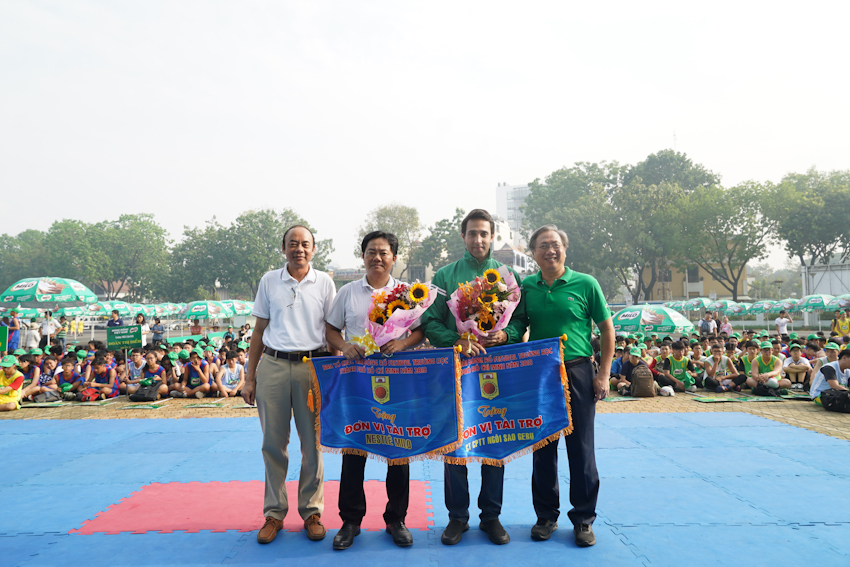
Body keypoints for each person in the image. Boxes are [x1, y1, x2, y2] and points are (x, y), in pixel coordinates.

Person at [421, 209, 525, 546]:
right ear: (463, 237)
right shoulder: (446, 274)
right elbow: (430, 323)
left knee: (494, 441)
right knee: (456, 445)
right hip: (456, 370)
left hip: (496, 371)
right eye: (472, 234)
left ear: (492, 236)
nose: (478, 240)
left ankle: (491, 516)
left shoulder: (507, 276)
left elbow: (520, 319)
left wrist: (505, 335)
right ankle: (457, 517)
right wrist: (457, 339)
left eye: (484, 233)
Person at [513, 224, 614, 547]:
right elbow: (515, 326)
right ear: (533, 254)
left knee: (581, 448)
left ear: (565, 249)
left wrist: (603, 375)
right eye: (542, 246)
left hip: (579, 371)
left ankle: (583, 519)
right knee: (543, 448)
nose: (549, 251)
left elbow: (607, 331)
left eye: (555, 245)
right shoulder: (526, 287)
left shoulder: (586, 284)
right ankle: (546, 516)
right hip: (540, 374)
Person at [325, 231, 425, 550]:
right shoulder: (349, 292)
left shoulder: (407, 293)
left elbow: (421, 329)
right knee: (354, 447)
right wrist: (344, 346)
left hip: (397, 378)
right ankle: (350, 521)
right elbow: (330, 329)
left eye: (383, 252)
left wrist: (404, 342)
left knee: (399, 448)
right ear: (363, 256)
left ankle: (396, 519)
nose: (377, 257)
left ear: (394, 257)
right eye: (371, 251)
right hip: (356, 378)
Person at [241, 224, 336, 545]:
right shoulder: (270, 280)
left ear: (313, 249)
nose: (299, 249)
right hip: (274, 366)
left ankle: (311, 511)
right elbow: (258, 332)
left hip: (313, 368)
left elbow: (332, 331)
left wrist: (335, 378)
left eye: (305, 244)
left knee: (313, 445)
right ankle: (274, 513)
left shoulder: (324, 282)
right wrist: (249, 377)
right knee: (272, 444)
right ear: (283, 248)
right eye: (292, 244)